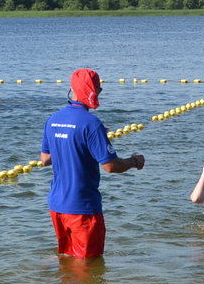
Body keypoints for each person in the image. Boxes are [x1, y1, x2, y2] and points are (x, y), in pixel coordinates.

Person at [39, 68, 145, 258]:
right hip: (83, 207)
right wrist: (134, 161)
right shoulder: (91, 123)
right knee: (88, 266)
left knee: (67, 258)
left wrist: (75, 142)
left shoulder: (53, 120)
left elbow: (45, 160)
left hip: (57, 205)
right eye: (99, 90)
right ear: (92, 91)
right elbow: (110, 166)